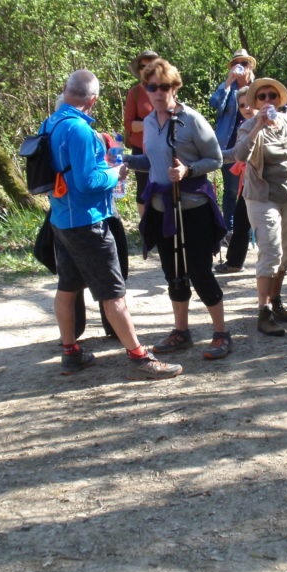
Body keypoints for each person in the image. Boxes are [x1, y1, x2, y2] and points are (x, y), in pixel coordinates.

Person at [42, 69, 182, 380]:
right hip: (87, 222)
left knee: (67, 287)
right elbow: (88, 181)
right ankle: (139, 356)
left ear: (66, 92)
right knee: (113, 294)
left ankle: (71, 352)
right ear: (92, 100)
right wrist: (115, 172)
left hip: (61, 219)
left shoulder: (50, 122)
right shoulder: (78, 130)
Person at [129, 58, 233, 360]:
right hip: (162, 207)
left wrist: (188, 170)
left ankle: (221, 333)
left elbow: (216, 159)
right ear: (145, 89)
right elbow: (152, 161)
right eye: (152, 87)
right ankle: (181, 331)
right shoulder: (149, 122)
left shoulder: (192, 120)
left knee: (200, 271)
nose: (158, 92)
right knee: (173, 272)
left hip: (193, 207)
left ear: (175, 87)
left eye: (164, 86)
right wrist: (125, 162)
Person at [233, 78, 287, 336]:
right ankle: (263, 311)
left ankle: (276, 302)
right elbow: (239, 155)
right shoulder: (248, 126)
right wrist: (258, 126)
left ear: (279, 100)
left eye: (272, 96)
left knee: (286, 252)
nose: (267, 101)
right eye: (262, 97)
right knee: (271, 251)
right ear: (255, 103)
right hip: (261, 195)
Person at [209, 49, 256, 231]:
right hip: (229, 146)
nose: (241, 67)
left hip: (253, 143)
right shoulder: (227, 88)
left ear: (250, 66)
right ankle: (229, 228)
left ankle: (249, 226)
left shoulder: (258, 87)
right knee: (230, 189)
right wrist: (228, 82)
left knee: (251, 187)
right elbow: (215, 105)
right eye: (237, 64)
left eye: (244, 63)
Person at [214, 87, 254, 275]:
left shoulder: (270, 124)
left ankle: (283, 264)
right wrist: (212, 157)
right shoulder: (244, 127)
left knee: (272, 227)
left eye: (249, 103)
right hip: (249, 185)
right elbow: (237, 154)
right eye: (242, 105)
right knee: (241, 221)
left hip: (271, 186)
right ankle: (235, 262)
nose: (246, 108)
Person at [123, 50, 159, 218]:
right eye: (143, 66)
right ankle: (145, 228)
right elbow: (128, 124)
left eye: (150, 66)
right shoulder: (135, 92)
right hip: (140, 147)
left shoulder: (167, 90)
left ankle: (161, 224)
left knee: (162, 185)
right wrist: (150, 124)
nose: (146, 69)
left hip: (163, 146)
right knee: (143, 188)